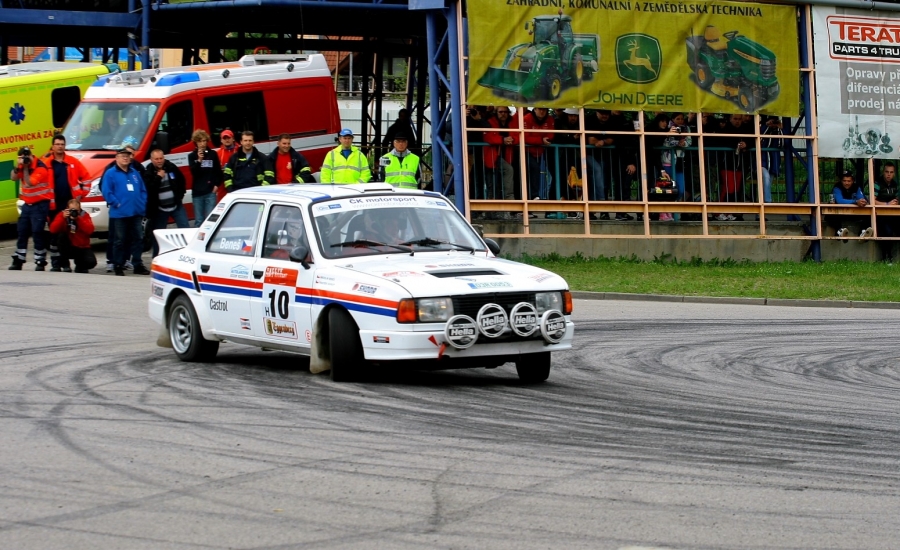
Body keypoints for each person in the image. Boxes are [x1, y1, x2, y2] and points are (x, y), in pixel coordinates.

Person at [42, 134, 90, 271]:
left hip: (69, 204)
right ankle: (57, 264)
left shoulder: (72, 162)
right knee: (55, 235)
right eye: (57, 144)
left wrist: (80, 197)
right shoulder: (46, 163)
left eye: (62, 144)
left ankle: (72, 263)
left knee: (71, 233)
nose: (60, 147)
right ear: (52, 146)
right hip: (53, 206)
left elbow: (87, 178)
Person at [102, 146, 148, 276]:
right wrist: (116, 203)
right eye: (123, 156)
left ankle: (137, 264)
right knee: (119, 240)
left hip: (136, 212)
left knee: (138, 238)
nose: (125, 158)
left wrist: (142, 203)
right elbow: (107, 191)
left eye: (127, 156)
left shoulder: (135, 173)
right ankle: (118, 264)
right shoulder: (110, 173)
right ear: (116, 158)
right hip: (119, 213)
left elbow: (143, 190)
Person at [9, 146, 51, 271]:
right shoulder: (22, 166)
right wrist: (18, 167)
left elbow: (29, 183)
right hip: (27, 204)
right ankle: (19, 259)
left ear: (32, 156)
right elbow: (13, 177)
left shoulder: (40, 167)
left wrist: (26, 167)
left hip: (40, 204)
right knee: (22, 231)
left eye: (27, 157)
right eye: (23, 157)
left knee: (37, 232)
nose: (26, 159)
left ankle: (40, 260)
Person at [144, 149, 189, 257]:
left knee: (185, 229)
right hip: (160, 209)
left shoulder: (171, 167)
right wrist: (159, 177)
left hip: (176, 206)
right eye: (156, 159)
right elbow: (150, 189)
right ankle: (156, 257)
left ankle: (187, 254)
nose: (159, 161)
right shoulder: (148, 172)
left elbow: (181, 181)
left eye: (161, 158)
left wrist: (180, 196)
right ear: (151, 160)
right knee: (158, 234)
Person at [482, 106, 519, 206]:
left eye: (505, 112)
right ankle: (498, 205)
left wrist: (512, 140)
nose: (503, 114)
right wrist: (502, 140)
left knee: (500, 178)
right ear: (496, 113)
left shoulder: (512, 122)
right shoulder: (491, 121)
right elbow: (488, 136)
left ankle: (507, 202)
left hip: (506, 154)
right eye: (500, 112)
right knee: (493, 183)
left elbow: (518, 134)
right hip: (492, 156)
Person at [48, 198, 97, 273]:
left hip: (81, 246)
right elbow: (53, 230)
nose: (73, 212)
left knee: (91, 262)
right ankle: (65, 265)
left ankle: (80, 266)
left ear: (80, 209)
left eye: (76, 210)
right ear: (67, 209)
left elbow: (90, 230)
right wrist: (62, 218)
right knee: (61, 237)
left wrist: (78, 219)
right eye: (71, 210)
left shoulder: (84, 215)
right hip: (68, 245)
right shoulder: (63, 214)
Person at [187, 129, 222, 227]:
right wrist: (199, 160)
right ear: (196, 142)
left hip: (210, 191)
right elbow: (194, 173)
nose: (202, 144)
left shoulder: (213, 154)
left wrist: (216, 185)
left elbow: (218, 171)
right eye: (200, 141)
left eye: (204, 141)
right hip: (197, 193)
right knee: (199, 220)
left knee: (211, 220)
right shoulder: (191, 156)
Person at [827, 170, 871, 243]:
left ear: (853, 181)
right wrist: (855, 202)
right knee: (831, 215)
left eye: (849, 181)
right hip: (839, 213)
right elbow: (840, 201)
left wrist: (863, 202)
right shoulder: (837, 187)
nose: (846, 183)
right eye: (844, 181)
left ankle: (862, 232)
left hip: (852, 213)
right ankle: (839, 232)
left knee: (869, 214)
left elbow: (861, 199)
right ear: (841, 181)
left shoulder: (856, 187)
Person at [522, 107, 555, 201]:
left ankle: (553, 197)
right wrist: (541, 140)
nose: (542, 111)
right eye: (539, 109)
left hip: (541, 151)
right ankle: (533, 195)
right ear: (535, 109)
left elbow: (551, 134)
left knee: (555, 170)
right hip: (527, 151)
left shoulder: (550, 119)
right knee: (533, 170)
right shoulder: (527, 118)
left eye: (544, 109)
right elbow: (524, 137)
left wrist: (546, 139)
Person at [871, 161, 900, 261]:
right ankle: (886, 257)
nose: (889, 174)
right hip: (880, 215)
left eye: (891, 172)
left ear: (894, 173)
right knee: (887, 231)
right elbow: (872, 200)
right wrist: (887, 204)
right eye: (887, 172)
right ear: (883, 172)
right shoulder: (877, 183)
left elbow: (897, 199)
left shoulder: (895, 184)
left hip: (893, 215)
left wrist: (896, 202)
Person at [215, 129, 238, 203]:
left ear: (233, 139)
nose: (227, 140)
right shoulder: (218, 153)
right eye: (224, 138)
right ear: (221, 140)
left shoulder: (240, 150)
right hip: (223, 184)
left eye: (228, 138)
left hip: (238, 182)